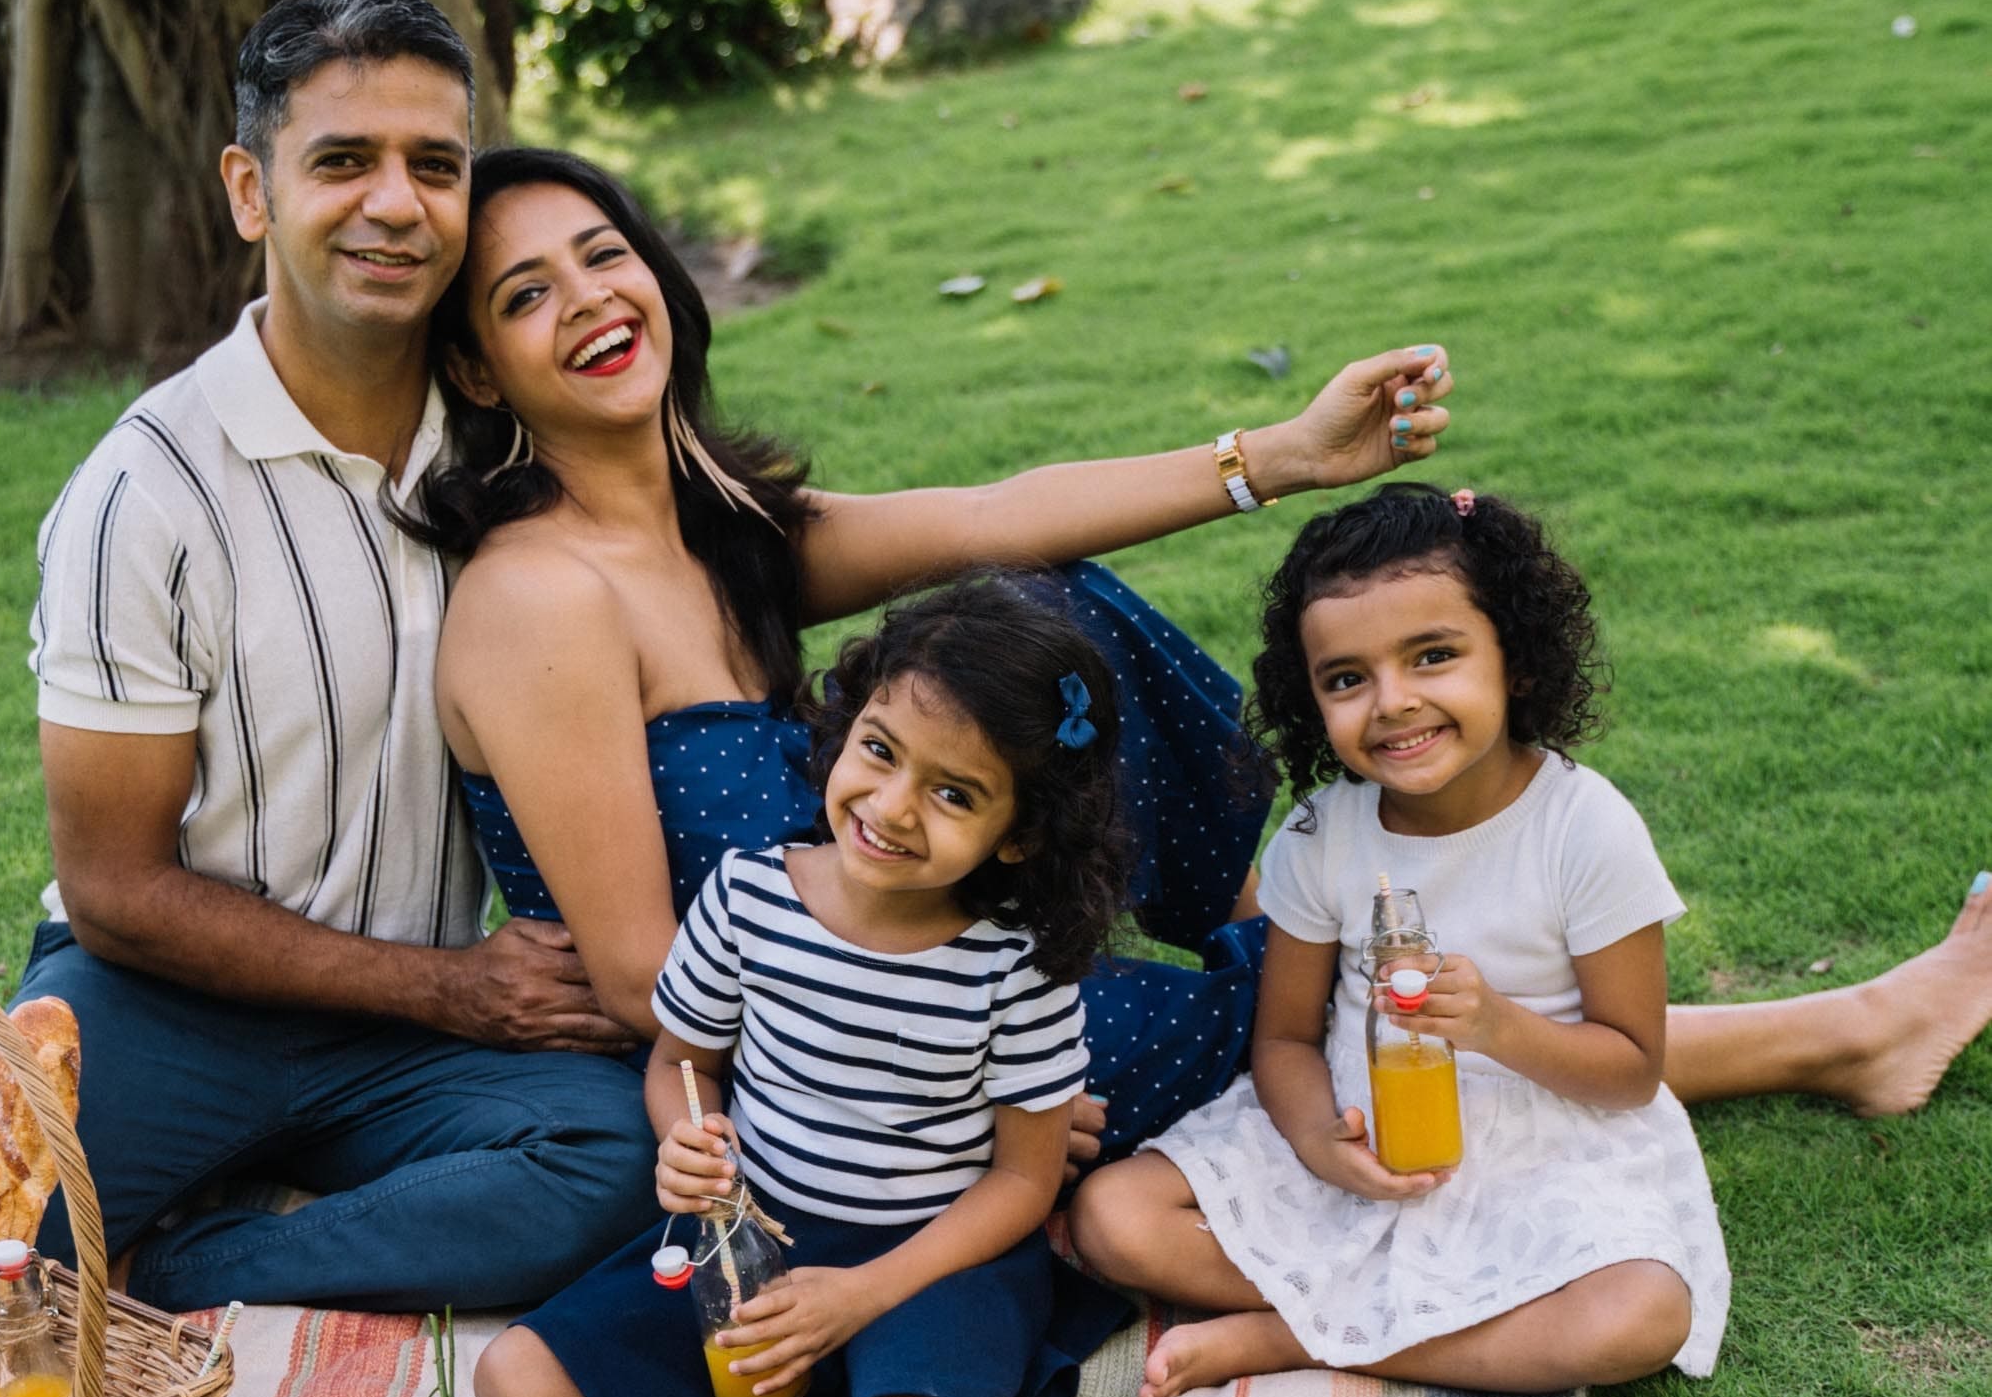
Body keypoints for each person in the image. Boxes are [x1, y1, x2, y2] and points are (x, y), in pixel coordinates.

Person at [414, 146, 1992, 1186]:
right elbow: (642, 982)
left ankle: (1275, 903)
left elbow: (997, 514)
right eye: (523, 295)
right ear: (479, 366)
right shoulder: (539, 595)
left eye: (600, 255)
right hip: (835, 1044)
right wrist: (979, 1041)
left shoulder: (715, 528)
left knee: (1043, 601)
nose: (589, 304)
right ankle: (1836, 1032)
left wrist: (1282, 456)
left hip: (916, 914)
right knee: (1300, 1034)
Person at [0, 0, 654, 1312]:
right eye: (342, 162)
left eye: (435, 165)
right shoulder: (143, 494)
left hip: (393, 1041)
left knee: (623, 1156)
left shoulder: (498, 429)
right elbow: (115, 892)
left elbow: (729, 537)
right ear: (250, 192)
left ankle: (183, 1264)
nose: (396, 203)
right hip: (159, 1009)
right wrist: (455, 989)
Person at [475, 576, 1137, 1397]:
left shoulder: (1013, 964)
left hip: (934, 1261)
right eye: (880, 751)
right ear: (846, 727)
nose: (892, 805)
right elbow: (679, 1064)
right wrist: (686, 1141)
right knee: (513, 1384)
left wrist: (862, 1297)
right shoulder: (748, 897)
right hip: (756, 1243)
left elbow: (1023, 1180)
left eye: (954, 794)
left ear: (1020, 832)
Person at [1070, 484, 1732, 1397]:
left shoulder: (1583, 827)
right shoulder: (1321, 833)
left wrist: (1495, 1025)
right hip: (1360, 1118)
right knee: (1114, 1217)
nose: (1393, 702)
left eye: (1433, 655)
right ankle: (1397, 1317)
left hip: (1537, 1140)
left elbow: (1629, 1068)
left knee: (1640, 1313)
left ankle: (1302, 1337)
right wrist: (1316, 1142)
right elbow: (1285, 1039)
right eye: (1346, 677)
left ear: (1517, 658)